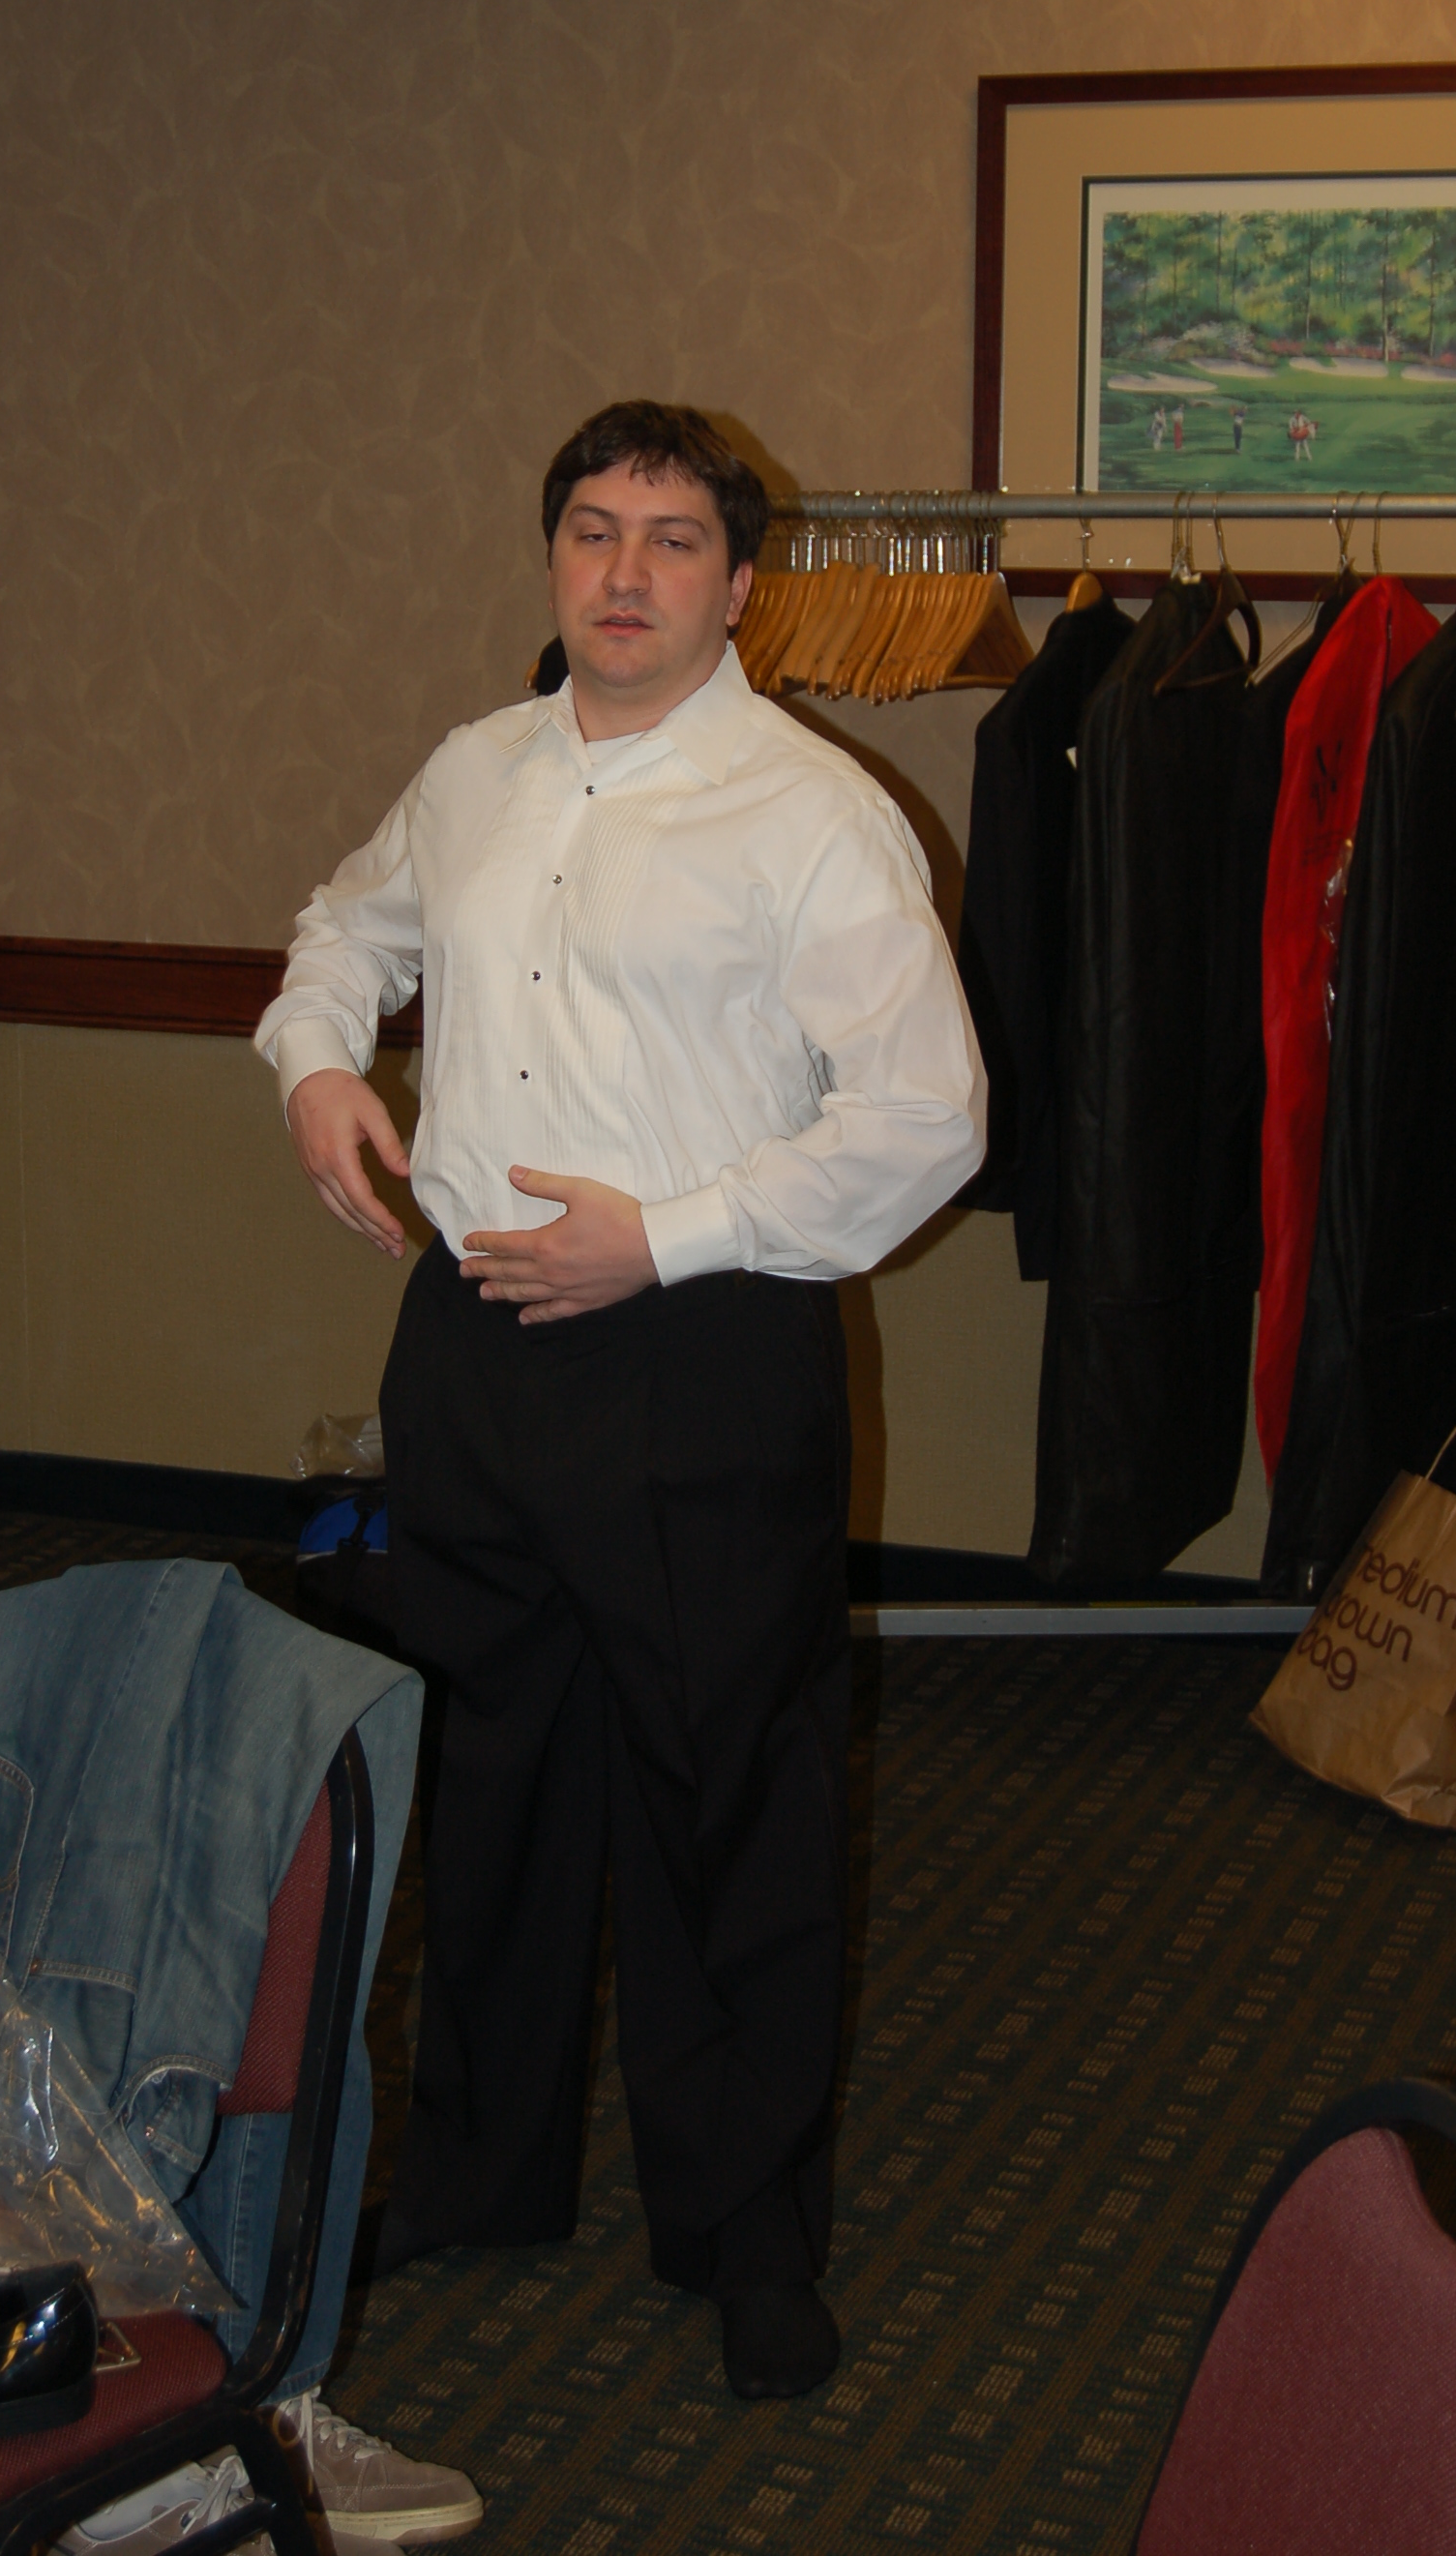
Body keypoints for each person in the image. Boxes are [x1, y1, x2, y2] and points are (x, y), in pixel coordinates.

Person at [256, 401, 984, 2403]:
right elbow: (346, 926)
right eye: (593, 529)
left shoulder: (813, 814)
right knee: (487, 1779)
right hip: (473, 1354)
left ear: (741, 586)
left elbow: (929, 1118)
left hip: (703, 1353)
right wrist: (315, 1061)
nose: (626, 571)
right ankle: (478, 2173)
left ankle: (743, 2235)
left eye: (673, 539)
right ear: (553, 557)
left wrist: (660, 1241)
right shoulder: (473, 772)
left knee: (723, 1804)